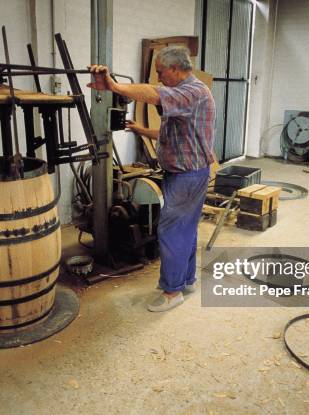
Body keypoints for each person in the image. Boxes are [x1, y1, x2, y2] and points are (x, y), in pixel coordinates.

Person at [88, 46, 216, 312]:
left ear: (175, 69)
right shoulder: (187, 96)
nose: (159, 78)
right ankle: (186, 280)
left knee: (170, 230)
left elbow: (153, 93)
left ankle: (172, 292)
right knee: (186, 229)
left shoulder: (193, 92)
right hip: (186, 173)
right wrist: (140, 129)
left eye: (161, 72)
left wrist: (114, 86)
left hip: (187, 176)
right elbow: (174, 135)